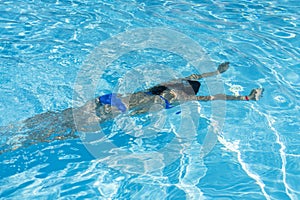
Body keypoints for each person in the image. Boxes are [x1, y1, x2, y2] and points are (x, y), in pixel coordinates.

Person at [0, 62, 263, 154]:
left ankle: (11, 132)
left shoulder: (165, 88)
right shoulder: (178, 96)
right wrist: (243, 97)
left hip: (107, 101)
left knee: (57, 120)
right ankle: (13, 141)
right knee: (59, 128)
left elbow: (202, 86)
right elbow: (213, 96)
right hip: (109, 110)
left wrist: (217, 73)